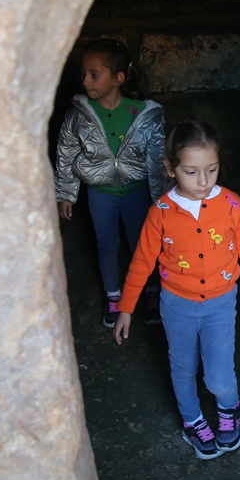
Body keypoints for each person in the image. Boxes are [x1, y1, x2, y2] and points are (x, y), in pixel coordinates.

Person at [113, 118, 240, 459]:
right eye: (191, 172)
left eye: (212, 169)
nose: (203, 181)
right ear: (171, 168)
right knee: (183, 367)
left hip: (221, 302)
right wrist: (126, 307)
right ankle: (192, 421)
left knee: (219, 375)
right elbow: (142, 263)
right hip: (176, 303)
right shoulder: (161, 212)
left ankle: (228, 407)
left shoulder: (232, 204)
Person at [56, 38, 168, 328]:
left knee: (142, 246)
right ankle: (113, 295)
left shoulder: (144, 115)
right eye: (83, 73)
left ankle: (152, 292)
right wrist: (66, 193)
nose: (86, 81)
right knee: (106, 245)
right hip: (100, 193)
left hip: (136, 193)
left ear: (118, 78)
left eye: (95, 74)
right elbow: (66, 153)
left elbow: (157, 159)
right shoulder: (78, 116)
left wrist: (161, 199)